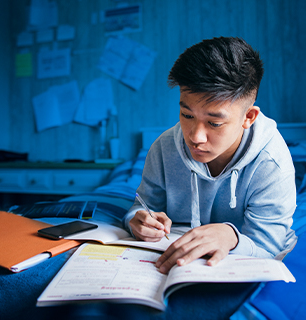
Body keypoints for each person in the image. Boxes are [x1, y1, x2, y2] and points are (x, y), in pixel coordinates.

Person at [123, 36, 297, 274]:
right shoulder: (163, 148)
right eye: (187, 115)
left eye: (214, 123)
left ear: (249, 117)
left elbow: (270, 246)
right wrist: (136, 221)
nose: (195, 136)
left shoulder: (272, 164)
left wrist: (231, 237)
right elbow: (142, 208)